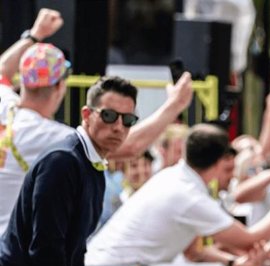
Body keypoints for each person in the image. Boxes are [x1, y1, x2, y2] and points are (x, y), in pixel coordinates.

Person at [0, 8, 194, 234]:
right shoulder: (48, 136)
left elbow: (3, 68)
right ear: (60, 87)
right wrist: (175, 105)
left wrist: (34, 34)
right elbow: (129, 146)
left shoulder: (5, 105)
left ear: (22, 81)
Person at [85, 124, 270, 266]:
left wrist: (234, 263)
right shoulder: (189, 197)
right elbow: (251, 239)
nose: (232, 175)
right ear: (220, 160)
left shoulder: (174, 179)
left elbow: (193, 250)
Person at [0, 76, 139, 266]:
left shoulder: (91, 162)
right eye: (109, 115)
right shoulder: (63, 161)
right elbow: (47, 247)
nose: (118, 127)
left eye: (128, 120)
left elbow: (73, 250)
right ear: (87, 115)